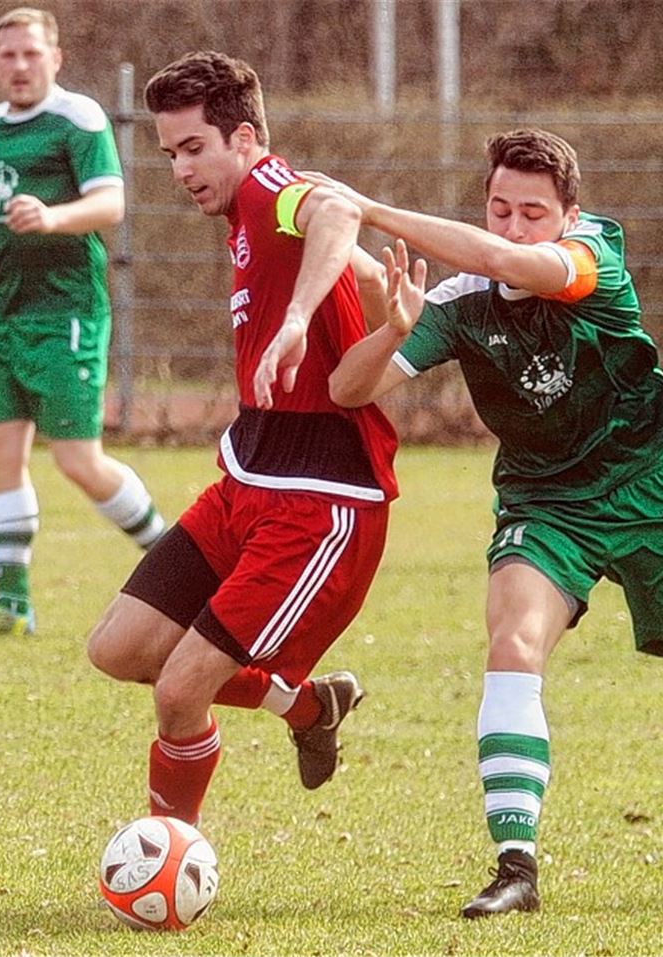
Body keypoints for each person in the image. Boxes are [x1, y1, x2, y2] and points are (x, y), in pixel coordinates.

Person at [320, 128, 663, 918]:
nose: (510, 226)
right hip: (545, 502)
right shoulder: (461, 305)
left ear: (570, 216)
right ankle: (516, 865)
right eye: (498, 208)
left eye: (532, 212)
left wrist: (367, 210)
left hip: (653, 496)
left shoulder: (593, 255)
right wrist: (398, 325)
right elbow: (346, 389)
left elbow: (511, 264)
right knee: (513, 639)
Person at [85, 51, 399, 824]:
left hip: (319, 500)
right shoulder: (243, 214)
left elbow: (333, 210)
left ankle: (168, 852)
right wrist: (379, 303)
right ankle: (305, 705)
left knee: (180, 690)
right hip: (248, 474)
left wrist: (297, 321)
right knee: (119, 648)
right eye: (169, 154)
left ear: (245, 138)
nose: (180, 169)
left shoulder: (268, 187)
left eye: (195, 148)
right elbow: (354, 261)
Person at [0, 7, 167, 640]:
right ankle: (11, 607)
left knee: (78, 460)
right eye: (8, 56)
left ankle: (177, 561)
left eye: (31, 55)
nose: (19, 66)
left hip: (66, 313)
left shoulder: (80, 118)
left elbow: (111, 202)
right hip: (2, 319)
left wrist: (52, 216)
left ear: (55, 58)